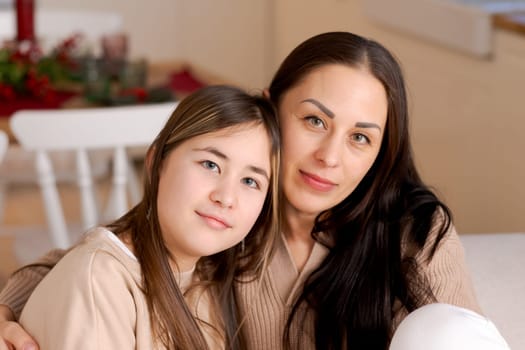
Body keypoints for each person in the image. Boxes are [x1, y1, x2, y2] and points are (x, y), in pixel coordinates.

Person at [0, 32, 509, 350]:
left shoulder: (413, 231)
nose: (330, 157)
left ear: (381, 151)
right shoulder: (228, 219)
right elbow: (108, 259)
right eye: (314, 120)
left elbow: (463, 337)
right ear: (270, 112)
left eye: (360, 137)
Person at [5, 84, 281, 350]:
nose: (226, 197)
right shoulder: (102, 283)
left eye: (250, 181)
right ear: (156, 163)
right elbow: (88, 269)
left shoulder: (212, 273)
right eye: (210, 165)